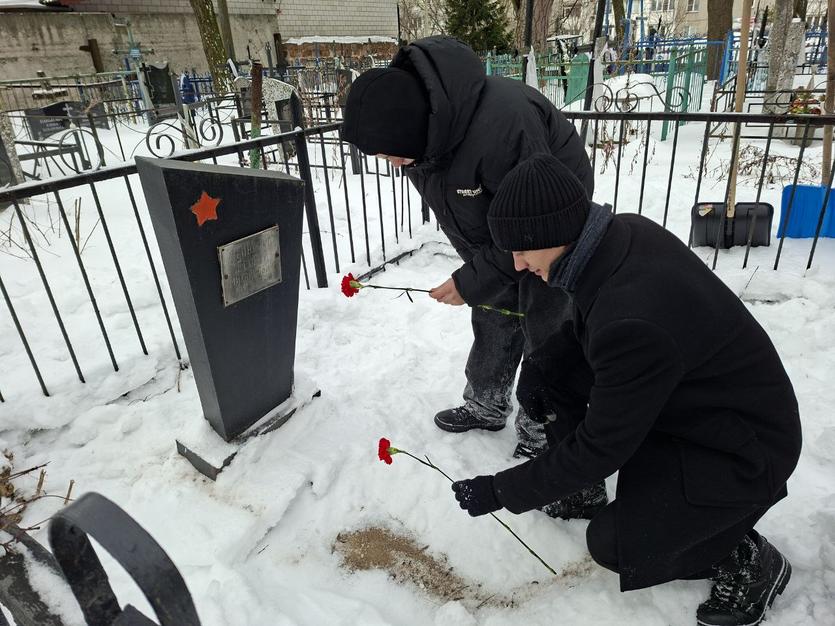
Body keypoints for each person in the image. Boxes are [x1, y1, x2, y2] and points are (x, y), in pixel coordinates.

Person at [451, 154, 802, 626]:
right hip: (691, 402)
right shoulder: (616, 236)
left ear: (555, 233)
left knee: (616, 545)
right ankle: (582, 493)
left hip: (741, 446)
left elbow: (602, 447)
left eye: (523, 250)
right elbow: (587, 325)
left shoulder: (633, 317)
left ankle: (744, 556)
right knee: (548, 374)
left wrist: (502, 490)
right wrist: (540, 368)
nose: (517, 264)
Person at [342, 37, 595, 477]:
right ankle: (486, 403)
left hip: (551, 228)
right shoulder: (425, 140)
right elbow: (463, 212)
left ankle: (544, 433)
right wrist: (477, 277)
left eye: (389, 154)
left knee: (547, 327)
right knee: (494, 310)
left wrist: (472, 279)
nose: (393, 164)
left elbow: (531, 224)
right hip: (499, 231)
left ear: (409, 128)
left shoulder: (504, 128)